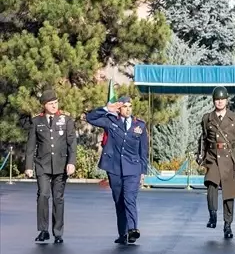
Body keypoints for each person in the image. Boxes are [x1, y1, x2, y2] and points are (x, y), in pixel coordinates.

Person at [86, 96, 149, 245]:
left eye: (130, 106)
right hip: (114, 168)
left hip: (133, 168)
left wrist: (143, 172)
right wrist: (107, 109)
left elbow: (143, 150)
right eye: (124, 106)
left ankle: (132, 230)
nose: (128, 109)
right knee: (119, 200)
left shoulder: (139, 125)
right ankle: (123, 234)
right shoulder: (111, 121)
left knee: (129, 198)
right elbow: (90, 118)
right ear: (119, 109)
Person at [24, 89, 77, 243]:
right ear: (44, 105)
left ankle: (58, 232)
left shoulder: (66, 120)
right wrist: (28, 166)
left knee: (58, 198)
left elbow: (72, 144)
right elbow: (30, 146)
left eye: (55, 103)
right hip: (42, 165)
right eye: (50, 103)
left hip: (61, 165)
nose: (54, 106)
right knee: (43, 195)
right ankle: (43, 230)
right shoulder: (36, 122)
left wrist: (71, 162)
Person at [197, 86, 235, 239]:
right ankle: (212, 214)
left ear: (227, 100)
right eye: (217, 100)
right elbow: (203, 139)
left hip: (229, 158)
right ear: (214, 101)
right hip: (212, 158)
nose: (219, 102)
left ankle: (228, 225)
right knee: (211, 183)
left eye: (222, 99)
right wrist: (201, 155)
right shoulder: (207, 118)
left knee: (228, 193)